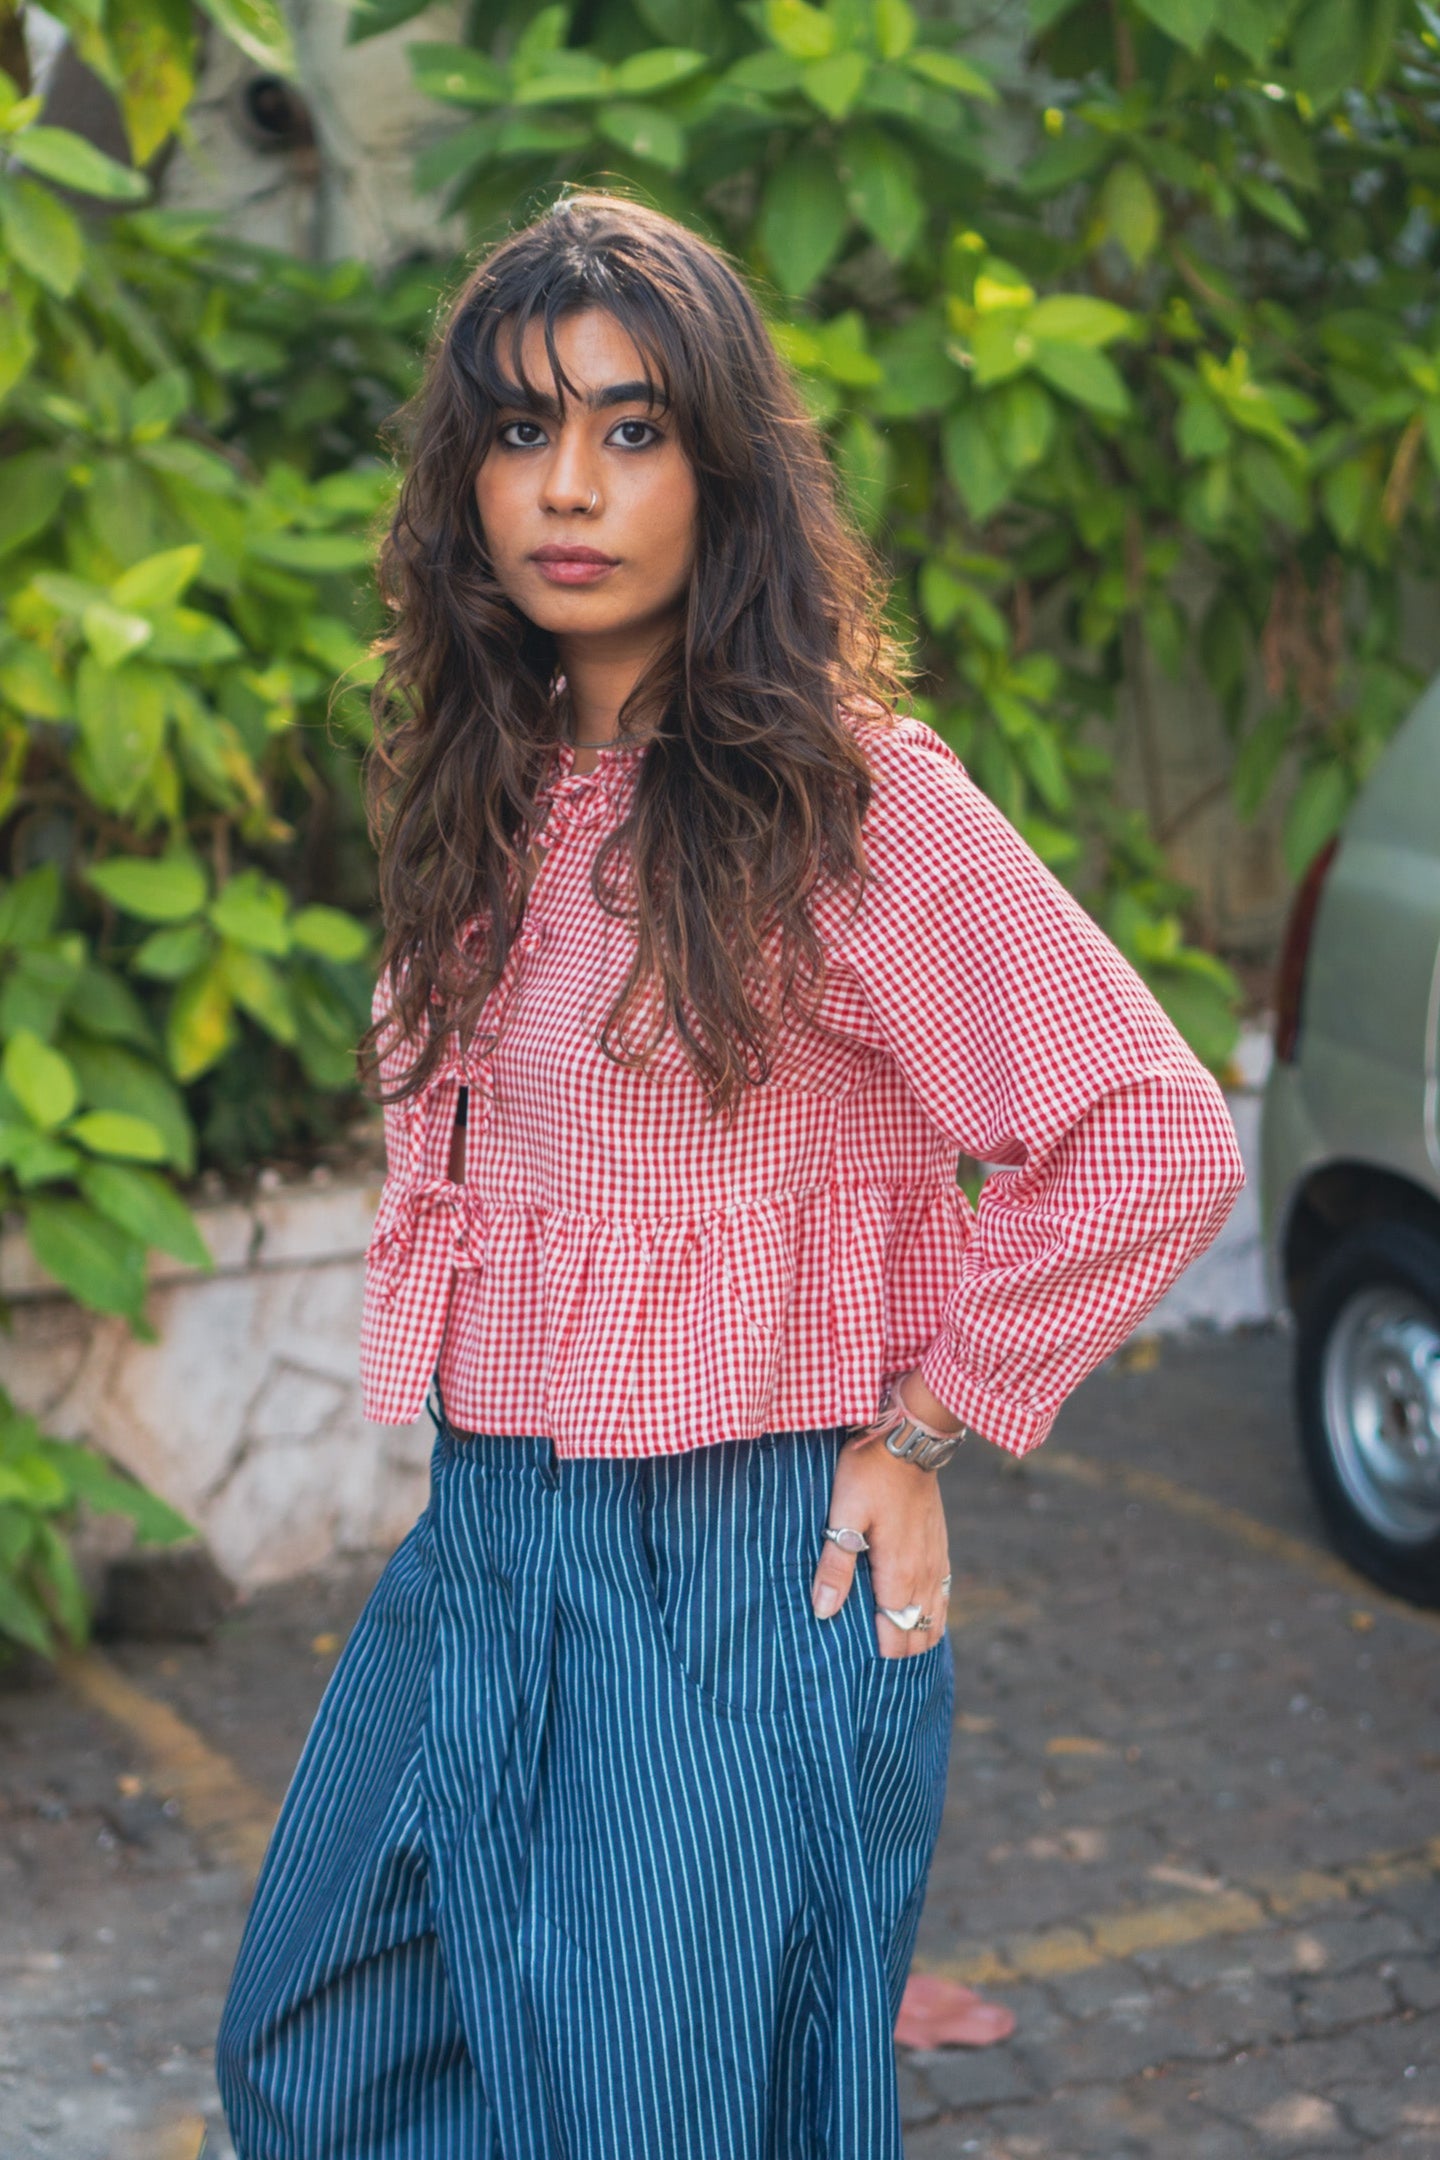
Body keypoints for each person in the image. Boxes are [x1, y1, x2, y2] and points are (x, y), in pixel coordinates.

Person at [215, 188, 1245, 2160]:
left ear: (723, 470)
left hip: (734, 1563)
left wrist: (929, 1422)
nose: (565, 489)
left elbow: (1150, 1134)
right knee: (326, 2044)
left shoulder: (845, 807)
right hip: (496, 1532)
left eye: (630, 427)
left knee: (654, 2117)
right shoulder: (489, 791)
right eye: (518, 433)